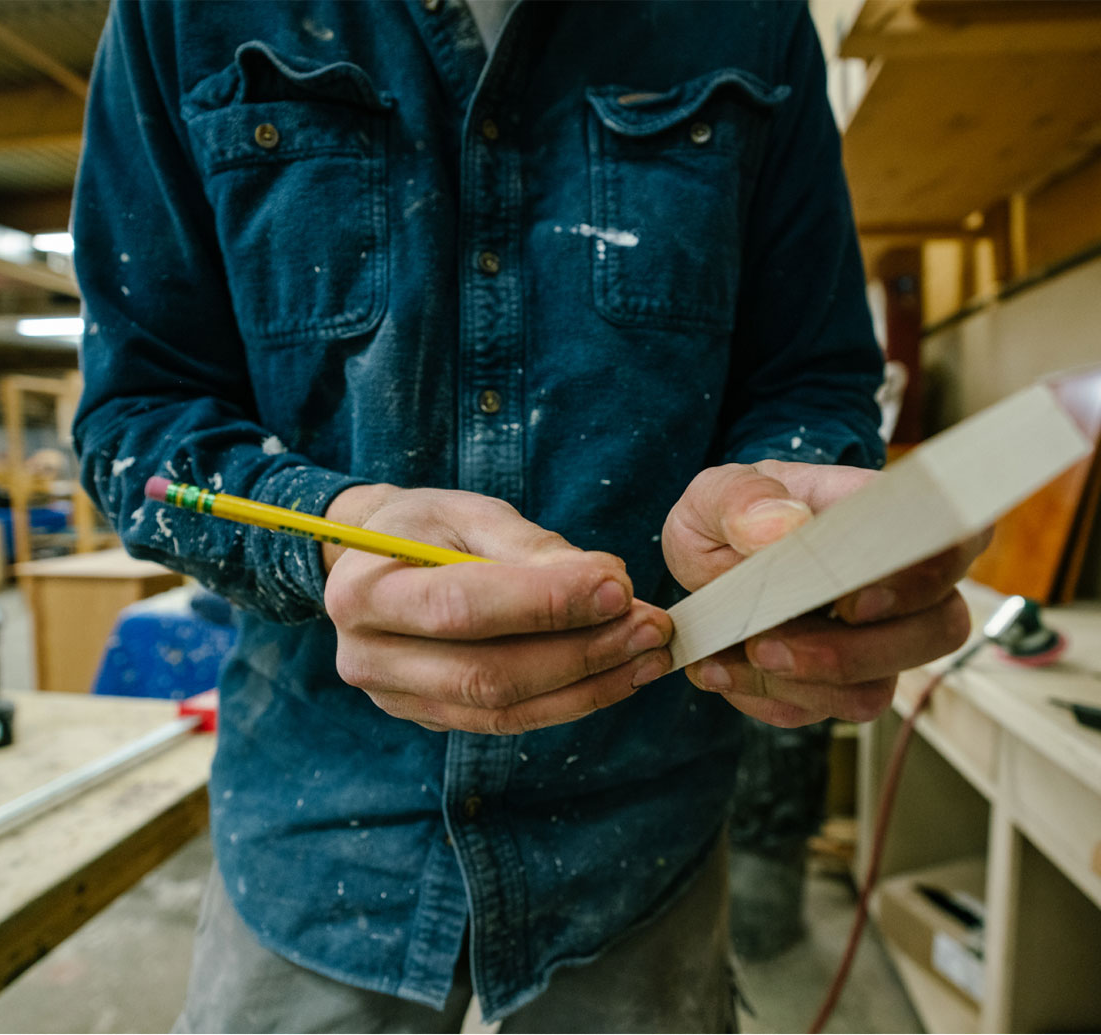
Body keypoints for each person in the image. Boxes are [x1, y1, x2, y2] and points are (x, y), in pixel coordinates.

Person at [71, 2, 984, 1030]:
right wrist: (318, 527)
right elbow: (135, 422)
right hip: (317, 825)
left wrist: (787, 511)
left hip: (637, 836)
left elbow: (812, 382)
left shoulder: (750, 19)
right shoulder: (180, 14)